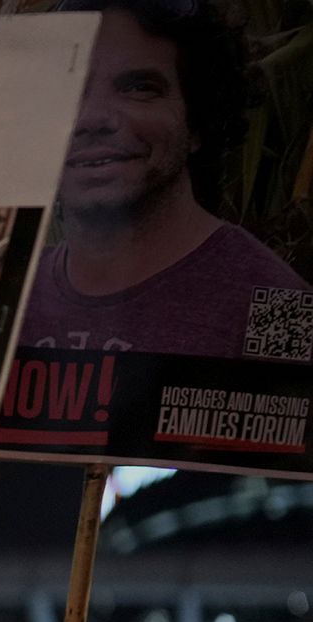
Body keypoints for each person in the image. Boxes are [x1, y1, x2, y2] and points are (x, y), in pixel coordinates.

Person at [25, 0, 306, 358]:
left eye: (139, 87)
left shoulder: (279, 309)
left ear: (196, 123)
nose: (92, 118)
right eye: (68, 91)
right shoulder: (1, 296)